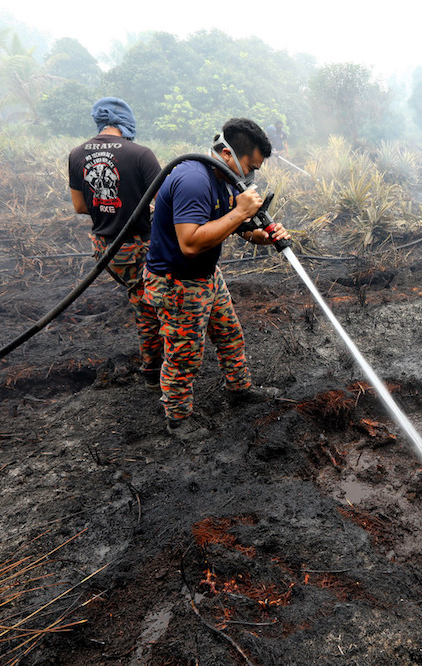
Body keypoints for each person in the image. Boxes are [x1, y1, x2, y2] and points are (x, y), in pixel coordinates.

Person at [143, 117, 291, 440]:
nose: (251, 176)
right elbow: (191, 241)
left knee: (229, 332)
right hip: (177, 280)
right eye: (250, 166)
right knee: (184, 352)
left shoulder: (225, 180)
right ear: (226, 154)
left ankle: (239, 389)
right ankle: (179, 418)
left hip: (206, 274)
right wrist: (239, 212)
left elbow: (233, 225)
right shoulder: (194, 180)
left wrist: (261, 235)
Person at [68, 97, 163, 388]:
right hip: (138, 246)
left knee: (142, 297)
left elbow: (80, 207)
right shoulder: (141, 154)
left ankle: (156, 363)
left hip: (105, 248)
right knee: (149, 304)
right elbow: (163, 203)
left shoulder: (76, 154)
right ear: (126, 121)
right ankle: (153, 369)